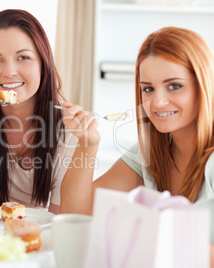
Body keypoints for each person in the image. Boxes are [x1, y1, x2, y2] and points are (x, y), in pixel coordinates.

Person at [60, 26, 214, 216]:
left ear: (203, 86)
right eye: (148, 89)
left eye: (174, 86)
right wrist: (87, 145)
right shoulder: (150, 152)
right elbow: (75, 212)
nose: (157, 102)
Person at [0, 9, 78, 213]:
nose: (9, 72)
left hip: (37, 238)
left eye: (23, 57)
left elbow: (58, 218)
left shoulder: (68, 125)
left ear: (43, 64)